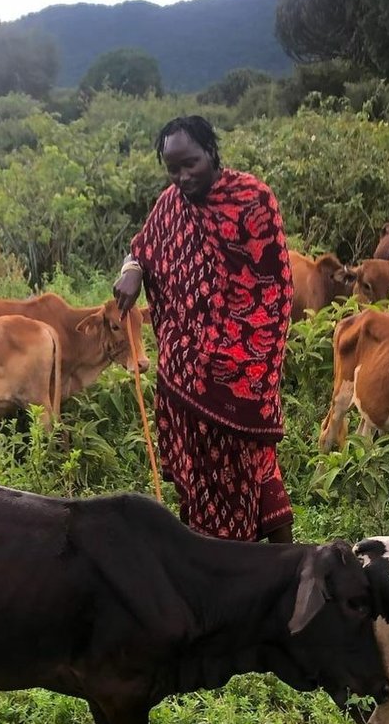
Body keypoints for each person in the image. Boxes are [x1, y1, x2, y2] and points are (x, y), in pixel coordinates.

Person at [113, 115, 294, 544]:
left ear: (211, 152)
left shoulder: (252, 200)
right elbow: (142, 249)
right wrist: (132, 269)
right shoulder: (170, 205)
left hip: (239, 374)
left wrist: (232, 359)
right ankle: (221, 568)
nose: (182, 177)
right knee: (206, 482)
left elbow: (273, 289)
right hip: (183, 378)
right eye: (172, 169)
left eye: (190, 163)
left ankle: (259, 569)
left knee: (252, 465)